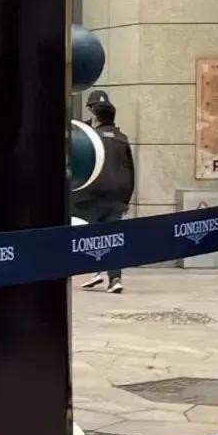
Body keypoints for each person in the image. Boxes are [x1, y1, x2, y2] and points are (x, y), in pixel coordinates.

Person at [75, 99, 134, 294]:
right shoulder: (122, 138)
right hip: (118, 195)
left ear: (96, 118)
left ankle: (97, 270)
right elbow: (131, 170)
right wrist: (127, 198)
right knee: (113, 237)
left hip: (93, 195)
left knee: (92, 235)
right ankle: (114, 278)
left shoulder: (91, 139)